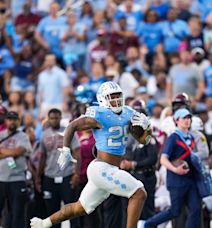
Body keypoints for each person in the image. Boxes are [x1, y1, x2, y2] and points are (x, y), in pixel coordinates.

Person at [30, 81, 150, 228]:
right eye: (111, 97)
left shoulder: (129, 112)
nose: (116, 100)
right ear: (102, 99)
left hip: (109, 170)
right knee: (139, 193)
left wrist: (147, 128)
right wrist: (66, 149)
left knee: (80, 208)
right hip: (103, 169)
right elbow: (72, 125)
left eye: (118, 96)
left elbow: (143, 140)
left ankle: (44, 223)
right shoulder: (100, 114)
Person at [144, 108, 201, 228]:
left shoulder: (190, 137)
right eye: (183, 118)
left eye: (188, 118)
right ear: (177, 120)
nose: (187, 120)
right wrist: (175, 169)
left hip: (190, 179)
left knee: (196, 209)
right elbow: (163, 159)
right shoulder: (173, 137)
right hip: (176, 181)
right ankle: (148, 224)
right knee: (175, 211)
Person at [36, 109, 81, 228]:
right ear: (48, 119)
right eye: (52, 118)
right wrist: (38, 177)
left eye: (56, 118)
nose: (54, 120)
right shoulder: (44, 134)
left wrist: (76, 174)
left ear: (60, 118)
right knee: (52, 213)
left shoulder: (69, 131)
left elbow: (77, 153)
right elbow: (42, 156)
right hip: (49, 177)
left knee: (72, 211)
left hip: (67, 175)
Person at [0, 111, 33, 228]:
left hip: (17, 179)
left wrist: (3, 152)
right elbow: (14, 152)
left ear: (18, 121)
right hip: (1, 179)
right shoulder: (1, 134)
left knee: (17, 213)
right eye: (9, 119)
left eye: (14, 119)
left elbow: (19, 151)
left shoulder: (23, 136)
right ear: (5, 121)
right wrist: (11, 153)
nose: (12, 122)